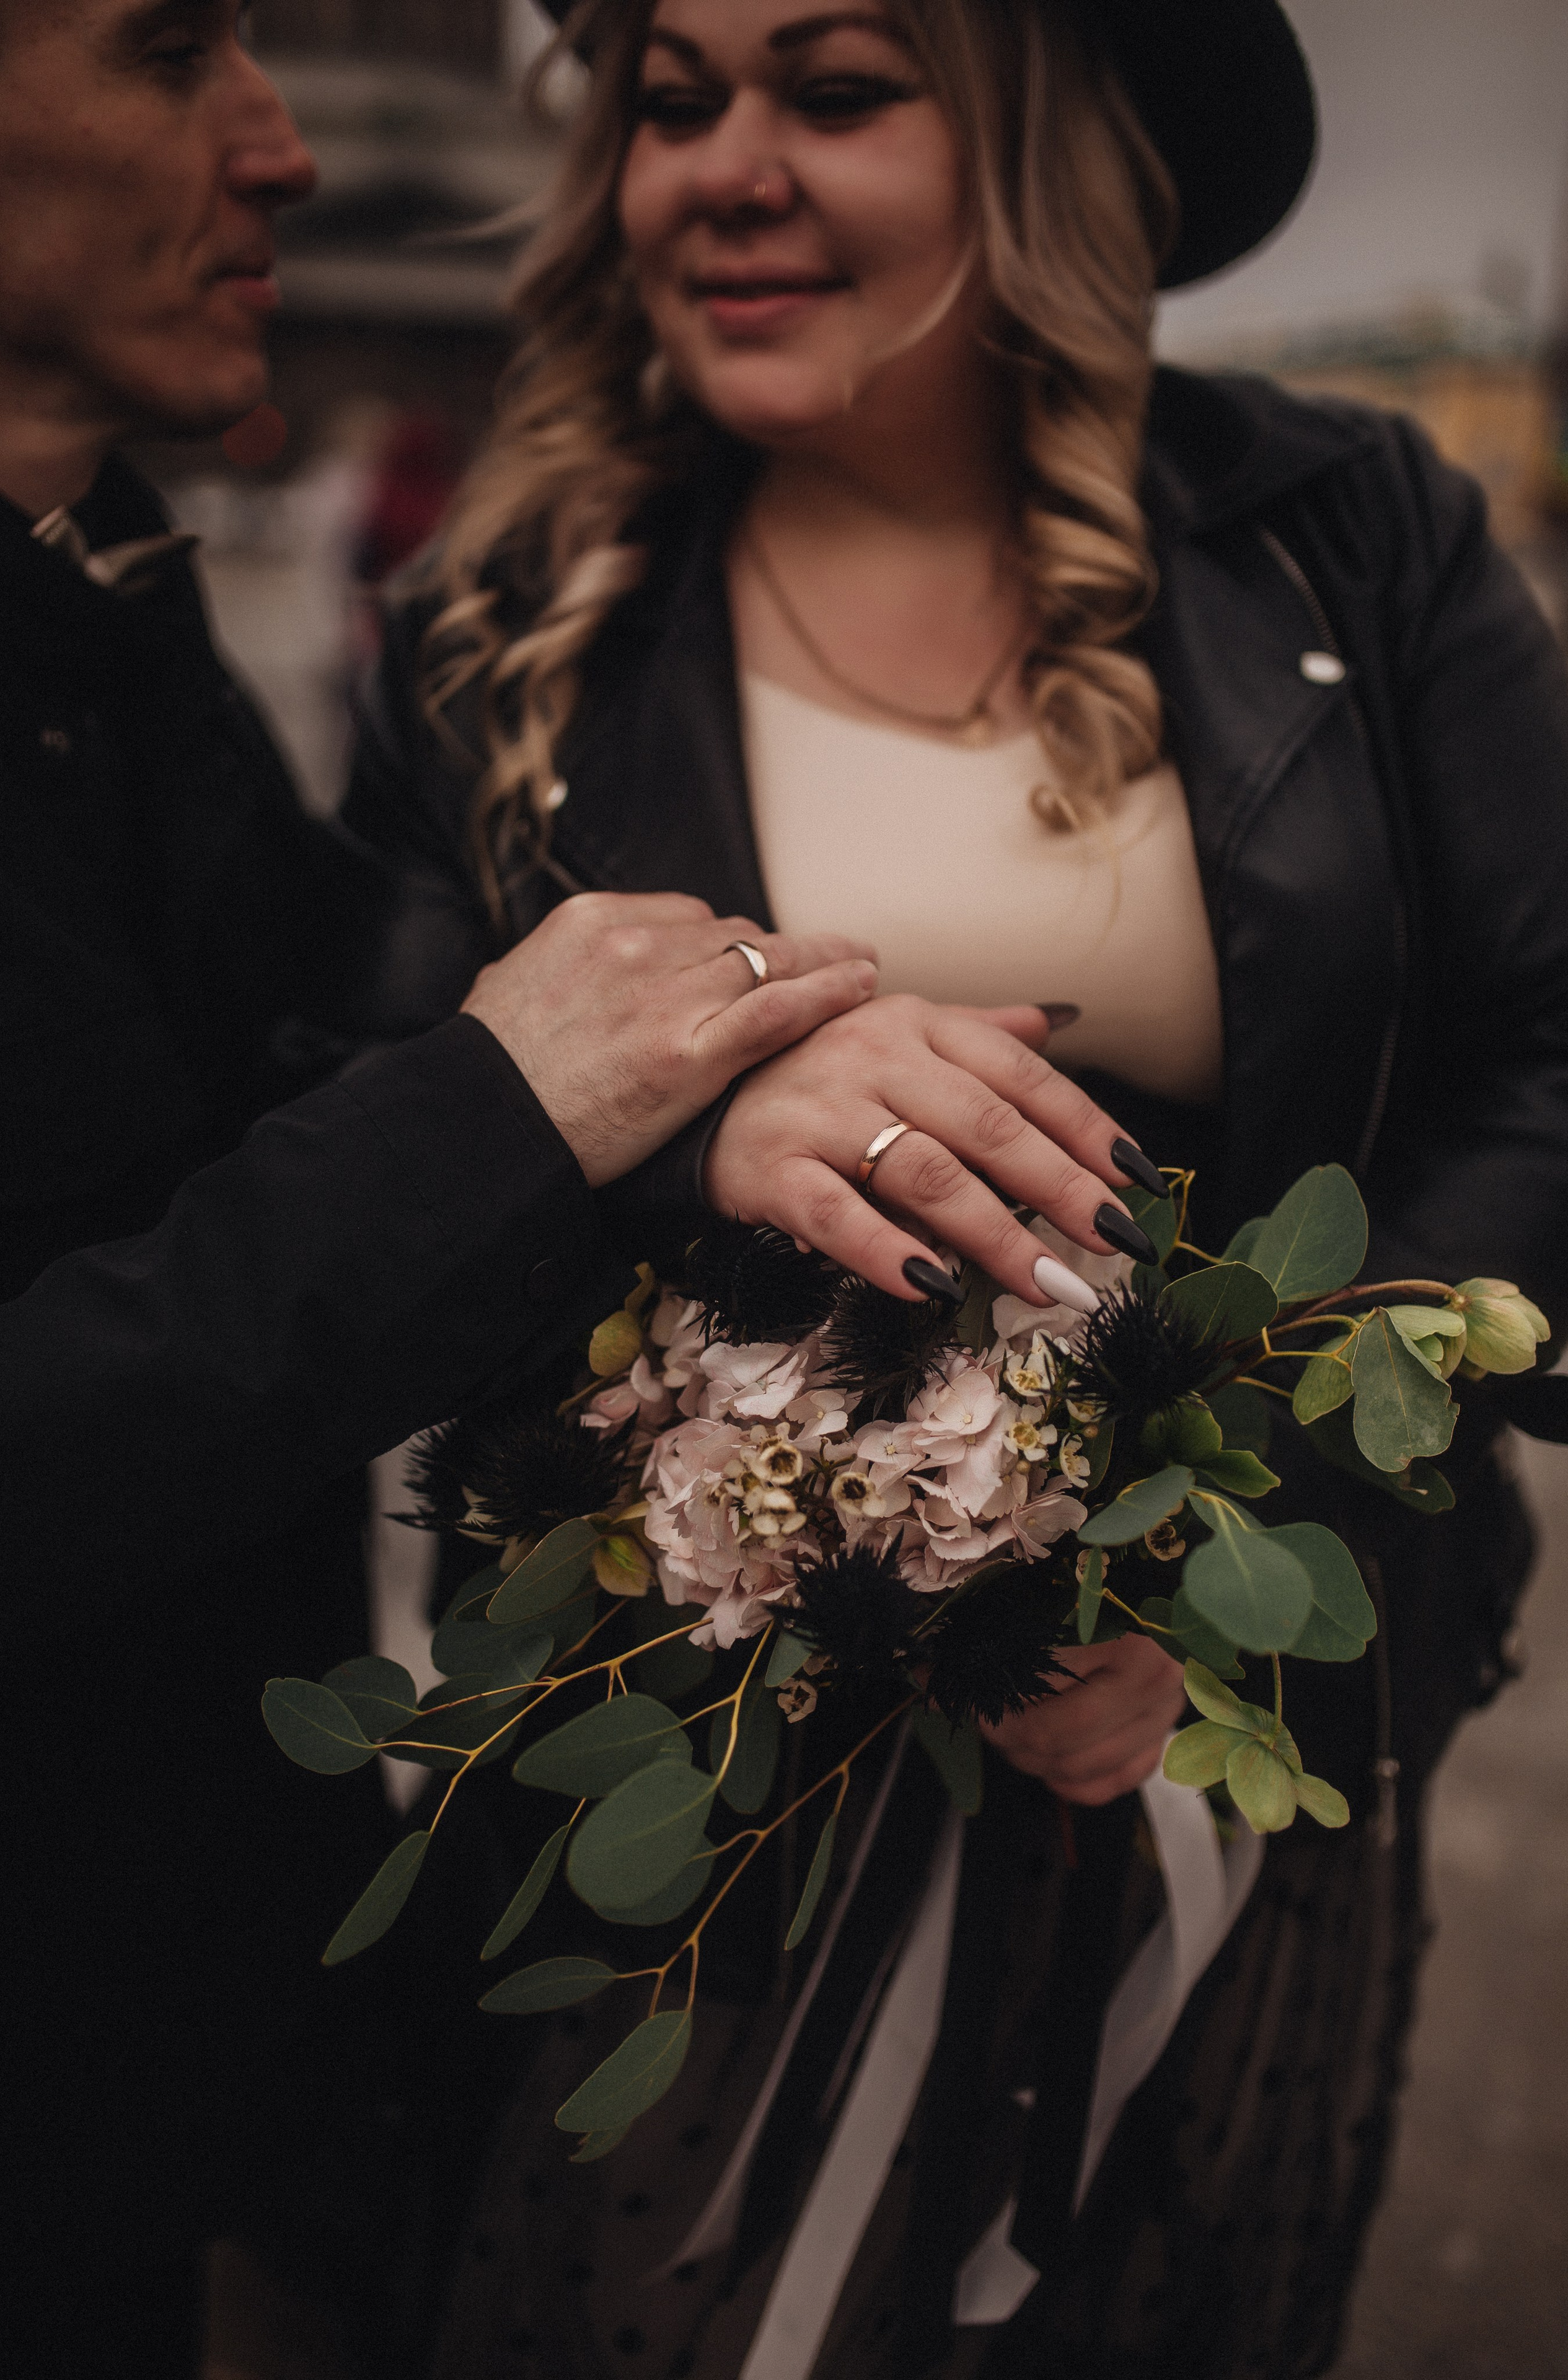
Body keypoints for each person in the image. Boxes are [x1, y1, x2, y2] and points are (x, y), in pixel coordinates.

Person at [337, 1, 1568, 2375]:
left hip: (1217, 1749)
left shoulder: (1353, 526)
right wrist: (685, 1142)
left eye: (838, 87)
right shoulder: (513, 623)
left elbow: (1548, 1061)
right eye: (673, 102)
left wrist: (1226, 1559)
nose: (726, 169)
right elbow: (364, 1142)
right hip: (698, 1776)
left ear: (1051, 146)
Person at [0, 8, 1143, 2370]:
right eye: (168, 42)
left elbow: (292, 1103)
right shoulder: (490, 614)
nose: (284, 144)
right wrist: (526, 1108)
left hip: (167, 2031)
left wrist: (691, 1115)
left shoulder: (96, 605)